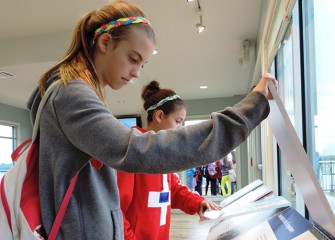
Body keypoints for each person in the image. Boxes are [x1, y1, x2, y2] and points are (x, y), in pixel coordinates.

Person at [26, 0, 277, 238]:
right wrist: (248, 110)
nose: (136, 73)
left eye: (142, 65)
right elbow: (137, 151)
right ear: (104, 42)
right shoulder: (72, 93)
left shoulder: (73, 91)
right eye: (133, 59)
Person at [117, 80, 220, 239]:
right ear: (159, 116)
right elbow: (117, 210)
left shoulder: (163, 155)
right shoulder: (132, 152)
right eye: (178, 121)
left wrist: (198, 203)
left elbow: (174, 190)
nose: (181, 129)